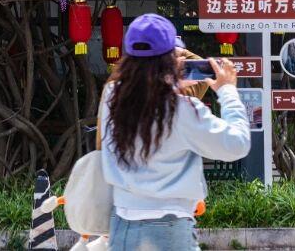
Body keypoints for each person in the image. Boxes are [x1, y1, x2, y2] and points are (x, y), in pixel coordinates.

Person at [98, 13, 252, 251]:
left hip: (121, 224)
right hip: (169, 227)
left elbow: (145, 97)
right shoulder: (182, 108)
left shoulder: (112, 96)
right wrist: (228, 91)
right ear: (171, 58)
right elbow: (237, 144)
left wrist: (169, 83)